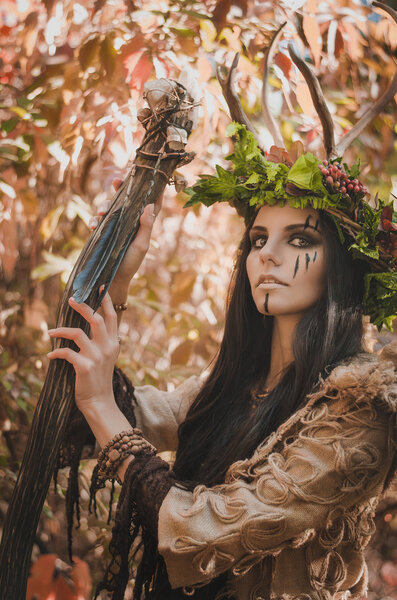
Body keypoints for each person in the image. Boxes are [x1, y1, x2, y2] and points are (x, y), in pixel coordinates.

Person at [48, 126, 397, 600]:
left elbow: (211, 531)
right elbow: (84, 419)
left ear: (342, 266)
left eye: (299, 240)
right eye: (258, 240)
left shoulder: (361, 406)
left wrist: (104, 410)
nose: (268, 255)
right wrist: (119, 280)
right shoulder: (233, 385)